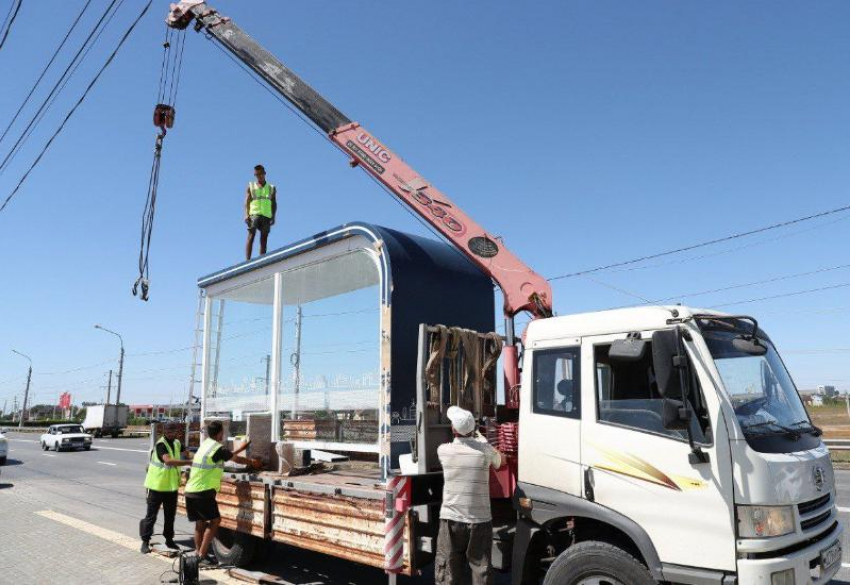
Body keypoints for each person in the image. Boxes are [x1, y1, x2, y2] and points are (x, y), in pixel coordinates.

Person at [436, 406, 505, 585]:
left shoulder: (444, 451)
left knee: (449, 568)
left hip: (451, 519)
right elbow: (501, 461)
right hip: (480, 520)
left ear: (453, 429)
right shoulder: (485, 451)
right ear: (473, 429)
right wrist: (481, 439)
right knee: (481, 569)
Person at [184, 421, 257, 567]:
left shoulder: (206, 445)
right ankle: (201, 556)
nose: (223, 434)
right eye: (222, 432)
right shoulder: (217, 448)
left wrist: (240, 449)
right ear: (219, 433)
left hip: (191, 490)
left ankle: (199, 555)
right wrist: (253, 463)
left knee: (200, 524)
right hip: (203, 491)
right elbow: (236, 459)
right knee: (215, 521)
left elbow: (226, 455)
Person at [140, 422, 193, 554]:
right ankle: (145, 541)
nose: (171, 434)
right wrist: (189, 462)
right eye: (169, 432)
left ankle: (169, 540)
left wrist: (198, 457)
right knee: (151, 516)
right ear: (165, 432)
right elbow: (168, 461)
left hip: (171, 488)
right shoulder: (161, 445)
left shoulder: (176, 443)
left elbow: (187, 453)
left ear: (176, 433)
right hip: (156, 487)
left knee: (170, 516)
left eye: (173, 432)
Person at [244, 164, 277, 260]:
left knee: (264, 238)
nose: (259, 176)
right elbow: (246, 201)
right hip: (254, 214)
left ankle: (261, 260)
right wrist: (246, 214)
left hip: (266, 215)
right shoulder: (251, 186)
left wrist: (273, 216)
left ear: (264, 173)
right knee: (251, 234)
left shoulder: (271, 188)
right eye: (256, 174)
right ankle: (247, 261)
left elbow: (274, 203)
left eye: (260, 174)